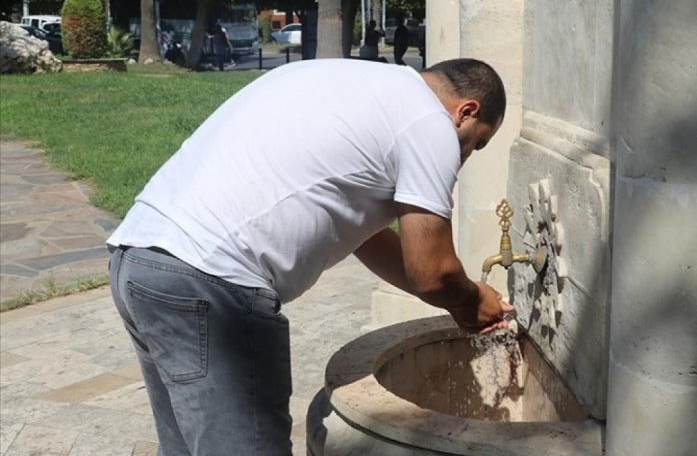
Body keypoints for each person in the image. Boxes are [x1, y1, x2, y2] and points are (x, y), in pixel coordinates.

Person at [107, 58, 512, 455]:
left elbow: (367, 239)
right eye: (477, 142)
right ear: (466, 111)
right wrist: (471, 299)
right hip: (213, 281)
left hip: (140, 258)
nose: (467, 156)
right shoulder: (429, 123)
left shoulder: (344, 79)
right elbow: (432, 272)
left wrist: (456, 304)